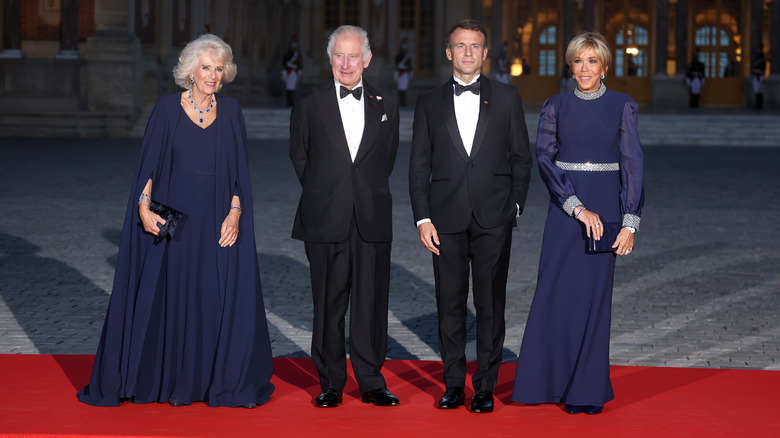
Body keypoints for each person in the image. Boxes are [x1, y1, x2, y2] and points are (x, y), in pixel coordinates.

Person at [77, 34, 275, 408]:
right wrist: (142, 206)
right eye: (206, 68)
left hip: (215, 225)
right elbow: (148, 169)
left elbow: (239, 176)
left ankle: (208, 381)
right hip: (176, 226)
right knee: (170, 301)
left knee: (212, 302)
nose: (213, 76)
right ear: (190, 71)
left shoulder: (231, 112)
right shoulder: (167, 109)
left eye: (219, 69)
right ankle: (164, 379)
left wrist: (235, 213)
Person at [512, 32, 644, 415]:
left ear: (604, 66)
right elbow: (545, 159)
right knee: (554, 294)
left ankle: (584, 391)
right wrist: (575, 207)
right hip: (566, 212)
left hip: (606, 214)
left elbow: (633, 165)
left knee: (593, 301)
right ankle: (543, 383)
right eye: (578, 61)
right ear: (570, 66)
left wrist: (630, 223)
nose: (584, 69)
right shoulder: (555, 105)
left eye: (592, 61)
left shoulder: (623, 106)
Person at [409, 19, 533, 414]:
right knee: (449, 304)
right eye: (460, 46)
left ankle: (484, 387)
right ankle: (452, 384)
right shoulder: (428, 103)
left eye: (474, 46)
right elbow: (418, 167)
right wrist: (422, 218)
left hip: (494, 218)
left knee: (491, 304)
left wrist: (513, 205)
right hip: (443, 221)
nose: (467, 52)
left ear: (485, 53)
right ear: (448, 52)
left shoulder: (507, 97)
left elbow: (521, 159)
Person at [289, 25, 400, 408]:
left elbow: (385, 160)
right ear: (330, 58)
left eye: (354, 55)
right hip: (325, 216)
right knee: (328, 303)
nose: (346, 62)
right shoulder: (309, 103)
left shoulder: (387, 103)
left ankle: (371, 381)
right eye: (339, 54)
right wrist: (329, 191)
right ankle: (330, 382)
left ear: (366, 60)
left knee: (371, 303)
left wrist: (360, 191)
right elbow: (300, 158)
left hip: (371, 215)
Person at [282, 38, 303, 106]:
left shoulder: (297, 55)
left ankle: (292, 101)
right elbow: (285, 63)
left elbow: (299, 64)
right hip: (289, 72)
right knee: (288, 88)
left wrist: (299, 70)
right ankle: (289, 102)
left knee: (293, 88)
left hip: (294, 72)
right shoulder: (287, 55)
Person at [394, 40, 413, 106]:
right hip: (400, 73)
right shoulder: (398, 57)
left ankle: (403, 102)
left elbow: (410, 66)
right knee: (400, 88)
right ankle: (401, 101)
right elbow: (396, 65)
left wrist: (410, 72)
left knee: (404, 88)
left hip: (405, 74)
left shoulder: (407, 57)